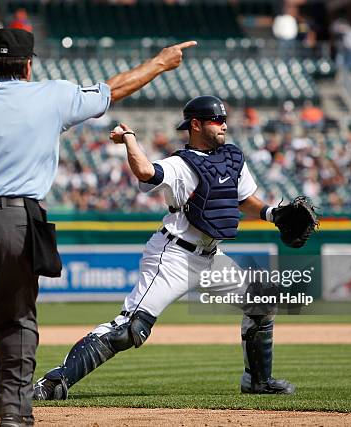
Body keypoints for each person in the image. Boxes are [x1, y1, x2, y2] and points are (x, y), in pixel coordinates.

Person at [0, 28, 196, 427]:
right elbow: (114, 89)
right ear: (27, 65)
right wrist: (161, 62)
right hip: (22, 222)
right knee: (17, 320)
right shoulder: (52, 95)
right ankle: (14, 411)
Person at [32, 95, 296, 402]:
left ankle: (257, 381)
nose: (223, 125)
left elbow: (243, 200)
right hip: (174, 257)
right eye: (216, 120)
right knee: (131, 328)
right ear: (195, 125)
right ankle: (55, 381)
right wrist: (130, 138)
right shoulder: (179, 163)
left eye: (224, 119)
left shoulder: (232, 158)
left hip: (212, 259)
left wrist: (272, 214)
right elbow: (145, 172)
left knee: (262, 304)